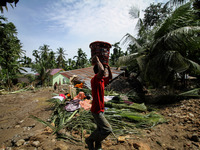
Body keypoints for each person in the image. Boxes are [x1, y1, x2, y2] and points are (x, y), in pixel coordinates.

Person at [85, 56, 112, 150]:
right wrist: (98, 60)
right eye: (103, 70)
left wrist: (108, 68)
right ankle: (89, 140)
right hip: (96, 110)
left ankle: (97, 145)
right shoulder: (95, 79)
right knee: (107, 129)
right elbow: (101, 71)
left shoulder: (101, 80)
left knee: (100, 129)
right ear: (98, 71)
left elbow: (110, 77)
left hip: (101, 109)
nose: (104, 72)